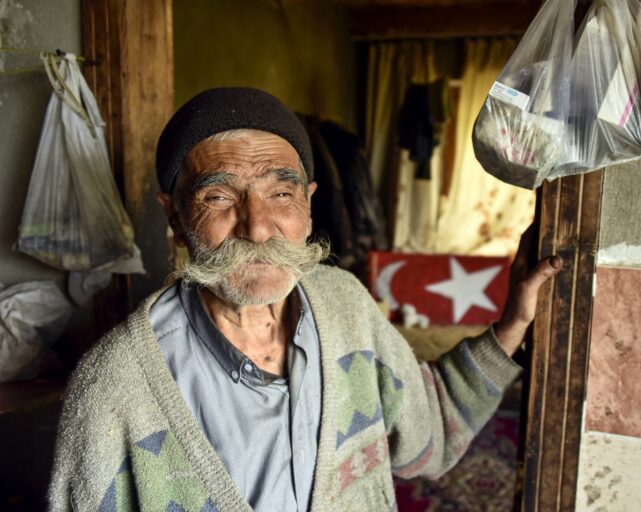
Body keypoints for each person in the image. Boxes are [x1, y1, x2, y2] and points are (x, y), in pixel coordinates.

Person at [48, 87, 561, 511]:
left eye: (281, 193)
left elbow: (427, 425)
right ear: (175, 217)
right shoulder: (113, 387)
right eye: (219, 197)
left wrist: (512, 324)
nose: (257, 227)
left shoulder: (346, 305)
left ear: (308, 206)